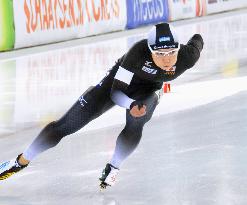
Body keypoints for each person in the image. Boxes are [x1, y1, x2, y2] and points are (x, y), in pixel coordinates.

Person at [0, 23, 204, 189]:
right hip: (116, 84)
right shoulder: (137, 53)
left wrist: (136, 106)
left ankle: (114, 166)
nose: (167, 59)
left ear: (178, 49)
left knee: (137, 119)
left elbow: (198, 40)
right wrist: (130, 103)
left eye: (171, 52)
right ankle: (20, 162)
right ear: (150, 51)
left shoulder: (188, 56)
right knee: (66, 125)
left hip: (149, 90)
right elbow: (116, 92)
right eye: (160, 54)